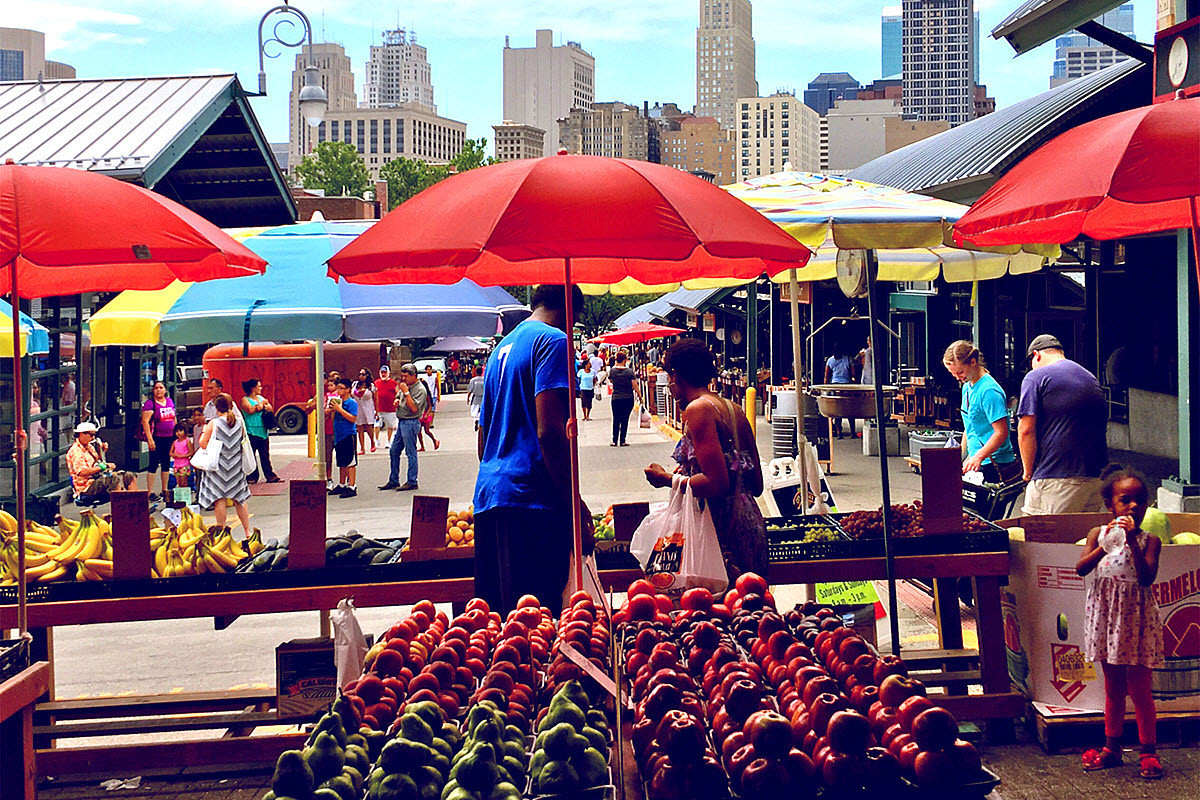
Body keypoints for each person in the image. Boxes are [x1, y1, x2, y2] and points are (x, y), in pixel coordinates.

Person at [474, 284, 593, 616]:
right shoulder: (554, 341)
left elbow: (483, 437)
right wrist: (574, 505)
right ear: (571, 311)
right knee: (538, 624)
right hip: (532, 502)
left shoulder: (502, 348)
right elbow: (550, 432)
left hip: (490, 496)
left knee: (501, 623)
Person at [644, 338, 768, 583]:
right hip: (750, 527)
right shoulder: (732, 408)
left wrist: (668, 479)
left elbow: (716, 483)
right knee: (749, 613)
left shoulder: (698, 410)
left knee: (716, 614)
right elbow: (756, 484)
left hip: (720, 536)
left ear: (675, 375)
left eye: (669, 376)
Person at [1076, 465, 1163, 780]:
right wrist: (1107, 544)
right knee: (1113, 689)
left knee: (1140, 689)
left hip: (1138, 622)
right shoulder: (1096, 535)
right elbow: (1081, 568)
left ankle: (1148, 752)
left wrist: (1129, 542)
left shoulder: (1149, 540)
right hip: (1108, 621)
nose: (1133, 507)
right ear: (1110, 505)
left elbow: (1146, 577)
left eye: (1140, 500)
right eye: (1125, 500)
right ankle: (1111, 749)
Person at [1018, 335, 1108, 514]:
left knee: (1043, 538)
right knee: (1083, 539)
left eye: (1031, 362)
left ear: (1036, 355)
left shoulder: (1035, 377)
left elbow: (1026, 430)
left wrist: (1028, 472)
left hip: (1057, 477)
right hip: (1096, 476)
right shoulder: (1089, 377)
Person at [942, 340, 1021, 484]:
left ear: (973, 362)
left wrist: (978, 457)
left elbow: (1001, 432)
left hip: (994, 463)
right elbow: (970, 426)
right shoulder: (967, 386)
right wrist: (961, 455)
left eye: (960, 372)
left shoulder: (989, 391)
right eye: (953, 374)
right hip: (978, 461)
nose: (958, 377)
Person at [197, 394, 252, 533]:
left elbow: (202, 444)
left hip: (218, 466)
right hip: (235, 466)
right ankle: (247, 531)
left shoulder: (213, 423)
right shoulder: (239, 422)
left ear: (216, 407)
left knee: (219, 499)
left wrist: (204, 433)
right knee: (239, 499)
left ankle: (221, 530)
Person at [379, 364, 428, 491]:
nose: (404, 378)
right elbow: (398, 397)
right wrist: (397, 400)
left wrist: (406, 392)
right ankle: (393, 479)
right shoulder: (405, 386)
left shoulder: (420, 390)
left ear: (414, 376)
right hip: (402, 421)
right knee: (394, 450)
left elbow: (414, 408)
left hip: (411, 422)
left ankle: (412, 480)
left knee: (411, 452)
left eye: (406, 376)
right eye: (402, 376)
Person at [67, 422, 128, 504]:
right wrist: (103, 467)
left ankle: (137, 508)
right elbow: (82, 472)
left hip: (96, 479)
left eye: (94, 435)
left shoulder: (89, 447)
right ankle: (120, 510)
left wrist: (102, 451)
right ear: (82, 434)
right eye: (91, 435)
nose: (93, 438)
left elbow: (95, 463)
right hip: (86, 487)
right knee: (114, 479)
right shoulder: (76, 451)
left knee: (127, 476)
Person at [141, 380, 178, 500]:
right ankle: (150, 492)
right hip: (157, 438)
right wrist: (150, 440)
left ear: (165, 390)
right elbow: (145, 422)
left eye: (161, 387)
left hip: (169, 437)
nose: (159, 390)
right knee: (153, 464)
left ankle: (164, 489)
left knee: (166, 463)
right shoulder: (150, 404)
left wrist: (177, 435)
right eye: (156, 388)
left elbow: (174, 418)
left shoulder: (170, 401)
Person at [240, 378, 281, 484]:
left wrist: (263, 406)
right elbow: (249, 410)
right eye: (259, 386)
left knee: (265, 455)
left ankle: (270, 475)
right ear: (253, 388)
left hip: (263, 430)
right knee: (251, 455)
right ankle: (252, 476)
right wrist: (261, 406)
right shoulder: (245, 399)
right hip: (251, 431)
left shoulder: (260, 398)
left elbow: (270, 408)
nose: (261, 388)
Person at [329, 378, 359, 497]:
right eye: (338, 388)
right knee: (341, 461)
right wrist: (333, 410)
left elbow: (353, 418)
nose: (339, 391)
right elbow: (333, 419)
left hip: (348, 434)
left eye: (341, 388)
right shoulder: (338, 402)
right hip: (339, 435)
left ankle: (352, 485)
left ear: (348, 389)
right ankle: (341, 484)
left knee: (350, 462)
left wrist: (340, 410)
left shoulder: (351, 403)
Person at [608, 350, 640, 447]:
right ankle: (622, 440)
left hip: (616, 397)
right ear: (625, 360)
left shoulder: (612, 371)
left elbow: (611, 380)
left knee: (616, 418)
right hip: (628, 397)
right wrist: (640, 396)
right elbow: (635, 385)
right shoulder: (629, 372)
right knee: (625, 419)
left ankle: (614, 440)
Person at [824, 344, 856, 438]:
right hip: (847, 386)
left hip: (835, 386)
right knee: (850, 410)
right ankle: (853, 432)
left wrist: (826, 388)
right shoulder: (848, 359)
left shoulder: (830, 360)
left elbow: (827, 375)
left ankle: (839, 433)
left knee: (838, 410)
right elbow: (853, 374)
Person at [354, 368, 377, 455]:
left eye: (363, 374)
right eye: (360, 374)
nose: (361, 376)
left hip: (368, 408)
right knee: (359, 427)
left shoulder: (371, 386)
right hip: (358, 408)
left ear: (367, 375)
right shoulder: (355, 384)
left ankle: (372, 442)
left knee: (368, 427)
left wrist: (376, 410)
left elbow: (376, 399)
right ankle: (362, 447)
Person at [374, 365, 399, 445]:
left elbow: (397, 393)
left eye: (385, 372)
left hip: (390, 409)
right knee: (376, 425)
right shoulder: (376, 382)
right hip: (379, 408)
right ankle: (376, 440)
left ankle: (388, 441)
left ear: (389, 373)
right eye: (382, 372)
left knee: (390, 426)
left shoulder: (393, 383)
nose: (383, 374)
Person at [418, 365, 441, 451]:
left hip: (426, 414)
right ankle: (422, 446)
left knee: (427, 431)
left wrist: (427, 414)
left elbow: (430, 405)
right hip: (420, 414)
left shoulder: (427, 395)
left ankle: (435, 440)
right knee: (418, 431)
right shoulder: (419, 394)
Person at [168, 423, 194, 498]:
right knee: (178, 482)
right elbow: (170, 452)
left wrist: (182, 456)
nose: (179, 433)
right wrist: (174, 455)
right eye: (177, 431)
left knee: (184, 482)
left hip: (184, 465)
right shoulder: (175, 442)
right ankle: (180, 498)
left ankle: (185, 498)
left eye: (181, 431)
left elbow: (191, 452)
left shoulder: (187, 441)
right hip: (176, 465)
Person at [467, 366, 485, 430]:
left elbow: (470, 390)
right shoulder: (485, 379)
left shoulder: (473, 380)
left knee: (474, 410)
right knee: (481, 410)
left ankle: (476, 420)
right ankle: (480, 420)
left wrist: (468, 398)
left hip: (476, 398)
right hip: (483, 398)